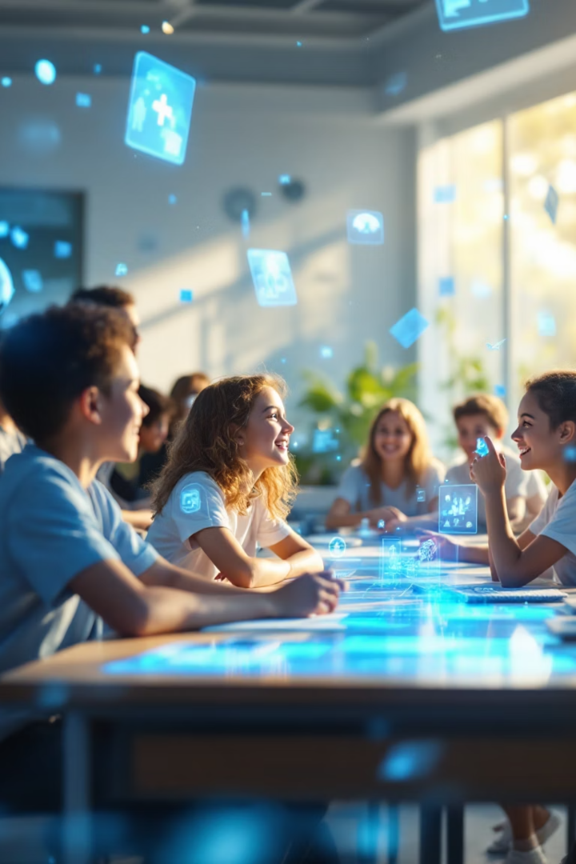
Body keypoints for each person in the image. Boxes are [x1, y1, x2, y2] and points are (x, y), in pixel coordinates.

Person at [0, 305, 343, 744]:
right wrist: (273, 604)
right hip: (25, 733)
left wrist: (278, 599)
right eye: (132, 389)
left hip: (65, 710)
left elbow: (165, 578)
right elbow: (138, 611)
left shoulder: (87, 493)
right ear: (92, 404)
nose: (145, 408)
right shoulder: (41, 489)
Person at [147, 375, 325, 587]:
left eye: (283, 416)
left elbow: (313, 559)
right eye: (273, 416)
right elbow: (246, 574)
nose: (288, 427)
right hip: (164, 607)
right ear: (236, 433)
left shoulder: (254, 494)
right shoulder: (198, 488)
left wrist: (270, 568)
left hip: (204, 607)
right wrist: (272, 568)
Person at [69, 285, 154, 530]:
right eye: (126, 328)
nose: (138, 338)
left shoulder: (94, 487)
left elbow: (109, 508)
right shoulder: (45, 485)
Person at [325, 398, 444, 532]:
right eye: (383, 430)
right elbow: (332, 520)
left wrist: (405, 523)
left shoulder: (431, 471)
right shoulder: (357, 471)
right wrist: (370, 517)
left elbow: (442, 517)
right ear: (373, 435)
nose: (389, 438)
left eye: (399, 431)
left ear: (413, 438)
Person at [446, 394, 546, 531]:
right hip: (483, 538)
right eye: (463, 432)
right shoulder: (455, 472)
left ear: (499, 433)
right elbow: (448, 518)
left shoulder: (515, 466)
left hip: (524, 538)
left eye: (478, 431)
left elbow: (513, 517)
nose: (470, 440)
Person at [139, 372, 211, 485]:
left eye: (207, 398)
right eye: (193, 397)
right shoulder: (158, 446)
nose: (202, 405)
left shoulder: (212, 448)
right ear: (177, 401)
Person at [109, 384, 174, 506]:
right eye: (159, 425)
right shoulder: (110, 462)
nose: (164, 433)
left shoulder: (144, 460)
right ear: (142, 424)